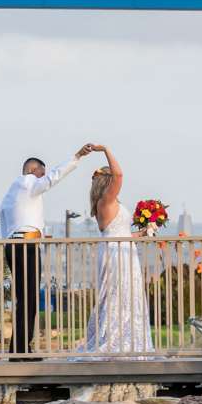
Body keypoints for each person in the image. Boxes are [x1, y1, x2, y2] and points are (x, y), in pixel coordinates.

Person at [0, 146, 96, 355]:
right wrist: (76, 157)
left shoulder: (11, 193)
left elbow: (6, 221)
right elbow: (53, 178)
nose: (43, 177)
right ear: (34, 170)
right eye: (41, 172)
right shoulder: (28, 182)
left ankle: (19, 347)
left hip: (13, 245)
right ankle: (21, 350)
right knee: (30, 298)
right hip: (26, 246)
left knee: (23, 299)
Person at [81, 144, 154, 355]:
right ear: (107, 182)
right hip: (116, 254)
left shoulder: (106, 204)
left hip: (122, 249)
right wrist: (105, 149)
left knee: (126, 295)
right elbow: (120, 174)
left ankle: (127, 340)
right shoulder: (106, 200)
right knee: (116, 296)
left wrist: (143, 233)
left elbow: (119, 232)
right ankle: (115, 341)